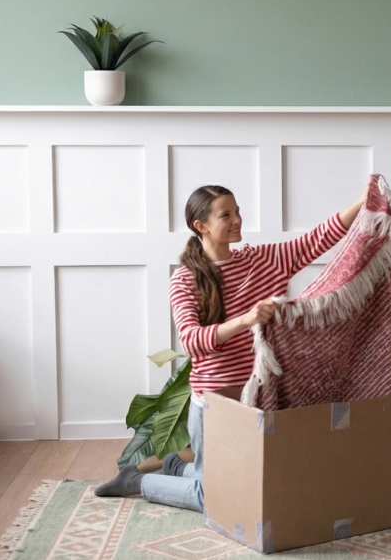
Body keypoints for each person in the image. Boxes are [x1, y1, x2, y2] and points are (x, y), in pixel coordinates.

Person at [94, 184, 365, 511]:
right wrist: (245, 320)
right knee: (215, 499)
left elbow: (318, 238)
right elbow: (192, 341)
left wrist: (365, 201)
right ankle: (136, 481)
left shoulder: (263, 261)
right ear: (201, 225)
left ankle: (178, 468)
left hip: (258, 401)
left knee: (260, 483)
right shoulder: (185, 279)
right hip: (214, 407)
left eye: (237, 211)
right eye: (226, 214)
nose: (237, 219)